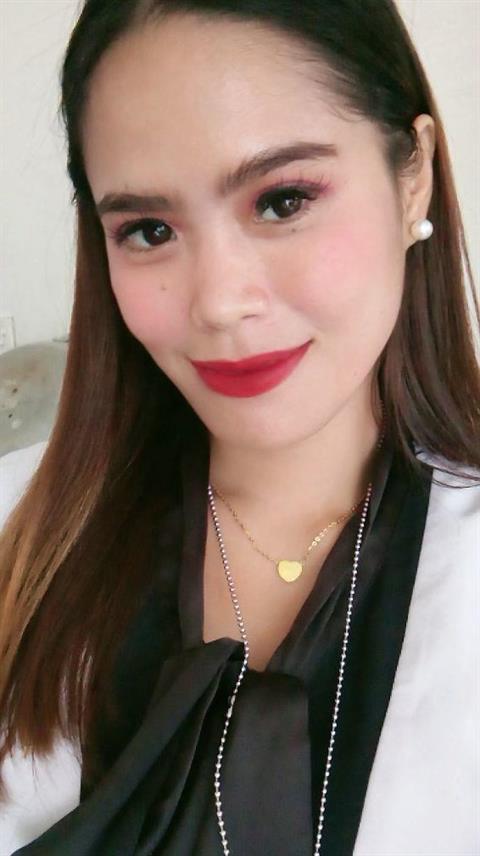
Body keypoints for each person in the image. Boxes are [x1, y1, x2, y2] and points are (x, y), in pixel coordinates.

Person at [0, 0, 479, 853]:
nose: (219, 302)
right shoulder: (15, 536)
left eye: (283, 200)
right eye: (149, 230)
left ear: (414, 177)